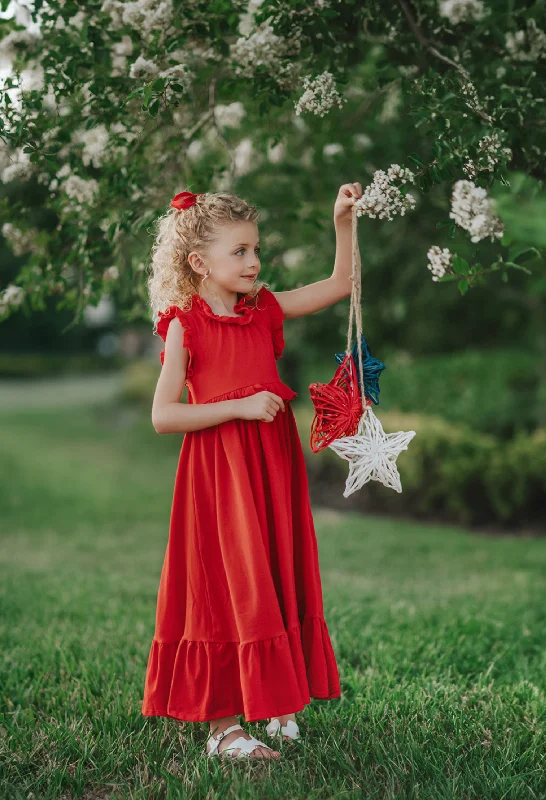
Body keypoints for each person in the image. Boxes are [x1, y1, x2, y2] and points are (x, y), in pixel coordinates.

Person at [141, 183, 363, 759]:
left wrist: (342, 220)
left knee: (271, 570)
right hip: (219, 474)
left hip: (271, 464)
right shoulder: (184, 325)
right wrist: (238, 406)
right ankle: (222, 730)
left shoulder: (262, 308)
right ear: (199, 263)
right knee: (222, 584)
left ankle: (275, 699)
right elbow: (164, 415)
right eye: (239, 251)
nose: (255, 261)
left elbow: (340, 286)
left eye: (255, 249)